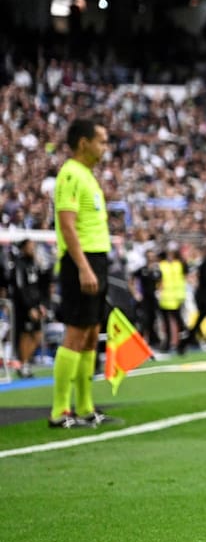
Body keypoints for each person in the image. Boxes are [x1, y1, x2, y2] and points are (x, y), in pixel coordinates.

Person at [50, 118, 120, 429]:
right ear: (83, 143)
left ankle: (86, 407)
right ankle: (60, 411)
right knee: (76, 333)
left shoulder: (88, 176)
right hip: (81, 261)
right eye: (101, 141)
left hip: (96, 259)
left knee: (92, 333)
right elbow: (67, 225)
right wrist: (83, 267)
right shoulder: (70, 174)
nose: (106, 147)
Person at [10, 238, 50, 378]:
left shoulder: (35, 263)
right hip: (24, 307)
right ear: (23, 248)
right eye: (30, 245)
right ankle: (23, 364)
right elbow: (20, 288)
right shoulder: (19, 264)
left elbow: (41, 285)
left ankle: (24, 362)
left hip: (36, 304)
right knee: (26, 334)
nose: (33, 248)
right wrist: (29, 308)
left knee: (38, 335)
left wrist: (42, 305)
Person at [158, 243, 187, 355]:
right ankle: (168, 344)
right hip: (165, 296)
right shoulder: (162, 265)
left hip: (177, 296)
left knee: (180, 321)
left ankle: (182, 344)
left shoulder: (179, 264)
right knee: (166, 322)